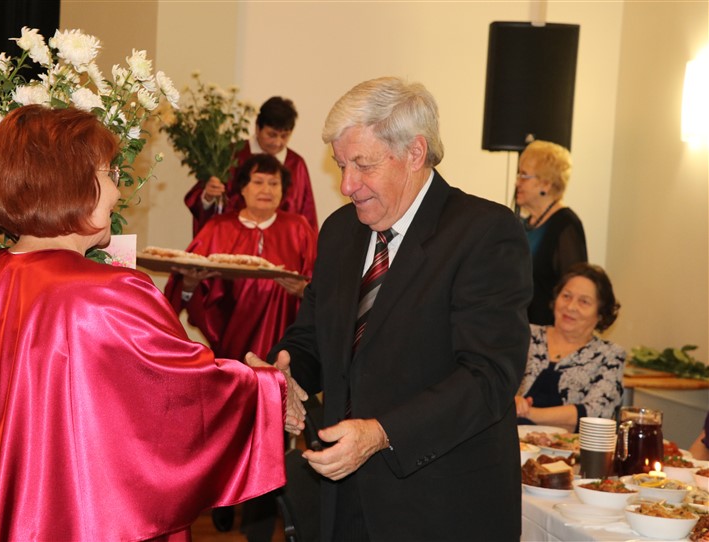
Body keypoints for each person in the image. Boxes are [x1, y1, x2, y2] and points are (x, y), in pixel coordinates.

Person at [0, 105, 307, 541]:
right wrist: (267, 389)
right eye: (110, 173)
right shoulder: (108, 297)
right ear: (73, 183)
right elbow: (183, 401)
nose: (116, 190)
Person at [259, 77, 533, 541]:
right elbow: (314, 338)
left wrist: (381, 432)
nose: (347, 185)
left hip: (439, 506)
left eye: (363, 165)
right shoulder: (340, 231)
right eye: (341, 165)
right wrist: (286, 372)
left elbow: (489, 376)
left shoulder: (483, 233)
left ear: (414, 153)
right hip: (343, 500)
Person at [165, 153, 316, 363]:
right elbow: (183, 285)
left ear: (284, 190)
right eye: (258, 182)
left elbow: (321, 286)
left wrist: (302, 291)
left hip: (286, 350)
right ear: (243, 187)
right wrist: (189, 285)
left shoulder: (299, 229)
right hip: (230, 345)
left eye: (274, 183)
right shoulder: (218, 228)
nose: (266, 190)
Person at [515, 263, 625, 433]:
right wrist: (512, 401)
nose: (571, 306)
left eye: (584, 301)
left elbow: (596, 413)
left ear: (600, 313)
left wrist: (526, 413)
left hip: (569, 448)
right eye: (566, 296)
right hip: (511, 443)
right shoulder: (525, 335)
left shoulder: (609, 355)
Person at [184, 96, 318, 236]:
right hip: (234, 240)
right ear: (257, 128)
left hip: (282, 243)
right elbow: (201, 204)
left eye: (284, 136)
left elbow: (308, 216)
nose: (278, 142)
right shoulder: (231, 155)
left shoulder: (296, 164)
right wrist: (208, 197)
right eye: (272, 135)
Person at [515, 139, 588, 325]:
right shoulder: (523, 224)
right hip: (520, 327)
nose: (517, 182)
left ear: (546, 184)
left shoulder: (565, 225)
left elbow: (574, 288)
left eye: (524, 176)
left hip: (549, 331)